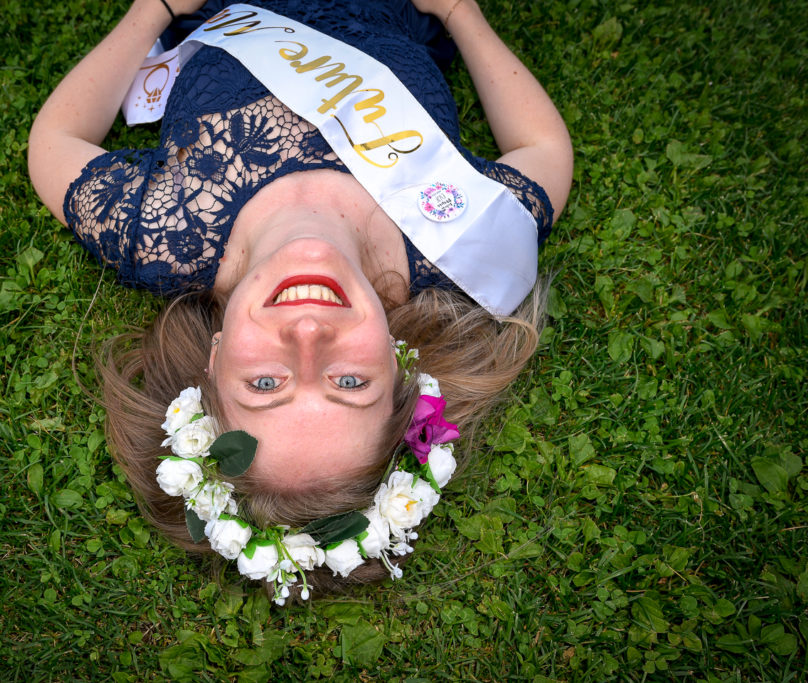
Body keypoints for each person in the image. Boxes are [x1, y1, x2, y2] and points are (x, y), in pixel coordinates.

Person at [28, 0, 572, 600]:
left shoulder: (165, 233)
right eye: (349, 382)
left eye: (265, 385)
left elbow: (56, 140)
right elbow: (542, 148)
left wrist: (153, 10)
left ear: (214, 360)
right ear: (399, 365)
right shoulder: (459, 246)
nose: (308, 335)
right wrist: (460, 12)